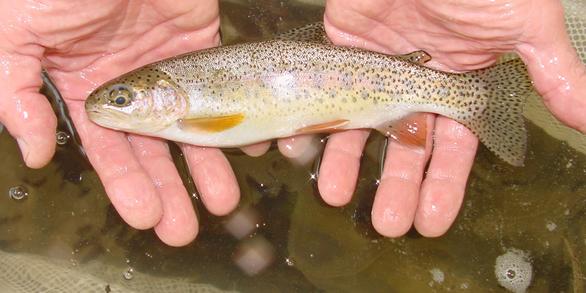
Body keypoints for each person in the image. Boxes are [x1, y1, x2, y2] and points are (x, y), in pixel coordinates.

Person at [0, 0, 583, 246]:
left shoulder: (196, 115)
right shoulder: (185, 105)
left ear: (161, 94)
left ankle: (467, 97)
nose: (114, 107)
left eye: (124, 98)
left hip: (381, 80)